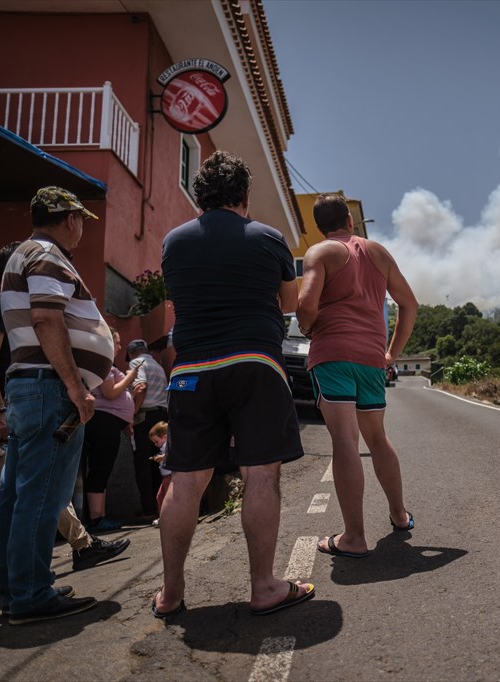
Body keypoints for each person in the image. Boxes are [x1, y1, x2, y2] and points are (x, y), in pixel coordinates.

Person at [154, 150, 313, 618]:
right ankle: (264, 587)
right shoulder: (268, 238)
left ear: (200, 196)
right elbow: (288, 303)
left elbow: (177, 297)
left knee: (186, 483)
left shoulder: (174, 242)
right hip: (254, 363)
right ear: (244, 196)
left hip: (190, 371)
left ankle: (170, 595)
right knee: (261, 474)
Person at [0, 242, 130, 593]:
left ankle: (41, 569)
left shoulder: (12, 303)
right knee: (24, 493)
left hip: (23, 400)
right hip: (14, 403)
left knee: (35, 490)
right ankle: (20, 583)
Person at [0, 186, 115, 625]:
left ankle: (16, 587)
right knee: (43, 496)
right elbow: (47, 319)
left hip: (30, 386)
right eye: (81, 219)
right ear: (69, 219)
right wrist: (75, 386)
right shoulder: (47, 255)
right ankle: (31, 594)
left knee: (18, 494)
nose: (82, 227)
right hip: (50, 388)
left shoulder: (22, 254)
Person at [297, 193, 418, 559]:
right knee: (377, 438)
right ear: (350, 221)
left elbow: (305, 306)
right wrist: (391, 354)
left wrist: (308, 328)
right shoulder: (378, 252)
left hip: (333, 355)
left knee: (345, 442)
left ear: (320, 227)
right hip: (370, 360)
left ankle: (354, 536)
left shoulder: (321, 253)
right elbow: (409, 304)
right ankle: (399, 515)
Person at [82, 329, 139, 531]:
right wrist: (131, 376)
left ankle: (100, 516)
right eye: (117, 342)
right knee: (100, 469)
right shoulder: (103, 363)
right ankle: (96, 519)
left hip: (108, 422)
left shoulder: (106, 364)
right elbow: (110, 393)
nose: (120, 347)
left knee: (102, 470)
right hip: (103, 422)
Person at [128, 338, 168, 518]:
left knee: (142, 462)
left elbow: (141, 386)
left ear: (130, 353)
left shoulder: (136, 362)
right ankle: (162, 505)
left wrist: (133, 412)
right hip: (161, 416)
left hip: (145, 416)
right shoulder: (158, 366)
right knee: (159, 461)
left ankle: (149, 508)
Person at [149, 421, 171, 527]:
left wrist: (162, 457)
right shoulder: (164, 447)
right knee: (161, 496)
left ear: (165, 437)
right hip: (166, 476)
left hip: (170, 476)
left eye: (156, 441)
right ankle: (164, 517)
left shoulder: (169, 445)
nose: (155, 444)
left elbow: (172, 452)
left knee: (164, 497)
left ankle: (166, 517)